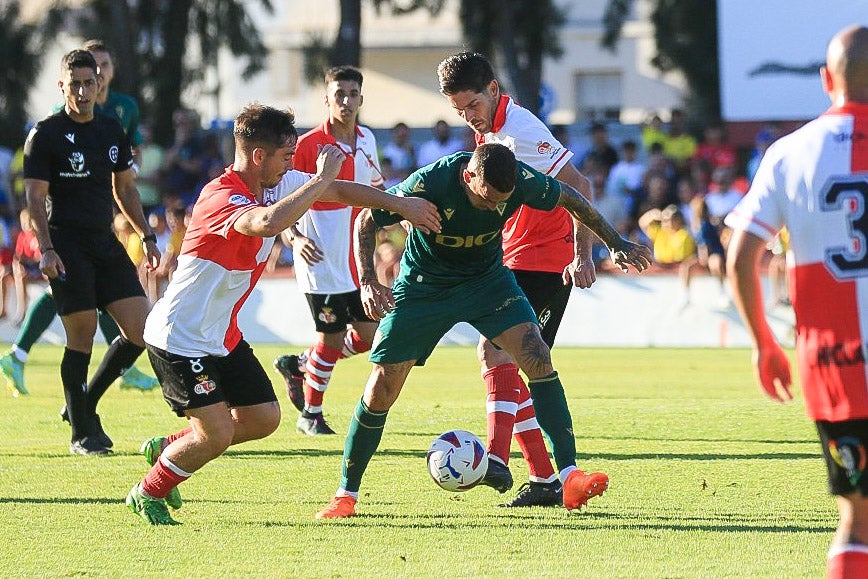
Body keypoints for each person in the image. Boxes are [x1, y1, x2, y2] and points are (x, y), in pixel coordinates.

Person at [124, 102, 441, 525]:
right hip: (179, 337)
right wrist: (323, 176)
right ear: (259, 156)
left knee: (263, 418)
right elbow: (267, 223)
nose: (294, 164)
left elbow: (343, 192)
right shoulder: (221, 195)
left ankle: (172, 446)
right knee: (216, 433)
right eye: (287, 155)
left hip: (221, 334)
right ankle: (148, 491)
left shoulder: (277, 182)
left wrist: (401, 207)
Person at [314, 143, 651, 519]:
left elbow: (572, 196)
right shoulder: (430, 182)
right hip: (424, 287)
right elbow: (366, 220)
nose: (494, 209)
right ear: (468, 177)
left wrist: (615, 242)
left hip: (487, 281)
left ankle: (569, 476)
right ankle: (346, 494)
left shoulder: (519, 180)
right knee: (382, 386)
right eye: (487, 199)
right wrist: (367, 280)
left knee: (537, 355)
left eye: (501, 202)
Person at [725, 24, 868, 578]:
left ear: (826, 79)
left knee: (856, 521)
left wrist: (764, 343)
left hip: (836, 367)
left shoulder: (790, 153)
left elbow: (742, 256)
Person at [436, 51, 601, 507]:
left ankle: (497, 457)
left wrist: (581, 254)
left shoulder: (521, 130)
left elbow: (580, 187)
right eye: (459, 111)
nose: (468, 117)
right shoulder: (489, 131)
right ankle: (547, 478)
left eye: (472, 105)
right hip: (514, 258)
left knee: (499, 352)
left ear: (493, 89)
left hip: (546, 262)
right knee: (511, 362)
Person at [0, 40, 158, 396]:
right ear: (63, 86)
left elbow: (126, 186)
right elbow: (35, 195)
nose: (85, 90)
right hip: (65, 242)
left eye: (91, 81)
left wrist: (146, 236)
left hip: (105, 239)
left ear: (102, 80)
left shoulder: (116, 120)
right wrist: (47, 247)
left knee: (142, 331)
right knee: (81, 334)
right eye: (76, 84)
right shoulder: (46, 133)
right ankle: (82, 425)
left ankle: (84, 401)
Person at [273, 66, 386, 436]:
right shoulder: (308, 146)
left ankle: (302, 364)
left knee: (370, 337)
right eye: (339, 93)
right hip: (320, 259)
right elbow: (282, 198)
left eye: (353, 94)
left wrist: (384, 232)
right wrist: (294, 238)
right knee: (332, 338)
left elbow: (375, 191)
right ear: (326, 99)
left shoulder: (367, 139)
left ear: (362, 99)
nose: (346, 101)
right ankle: (310, 414)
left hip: (356, 259)